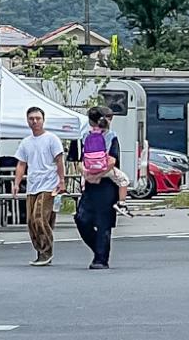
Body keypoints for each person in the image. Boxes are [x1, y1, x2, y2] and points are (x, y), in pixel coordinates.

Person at [74, 106, 126, 269]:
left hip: (107, 185)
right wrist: (90, 175)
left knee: (103, 222)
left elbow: (111, 161)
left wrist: (93, 175)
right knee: (81, 219)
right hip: (92, 183)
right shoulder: (84, 136)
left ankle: (101, 259)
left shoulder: (111, 137)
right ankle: (99, 250)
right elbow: (79, 161)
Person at [14, 107, 65, 268]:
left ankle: (46, 251)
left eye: (37, 118)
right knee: (30, 221)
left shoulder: (52, 139)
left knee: (40, 217)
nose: (35, 121)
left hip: (49, 184)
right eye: (31, 118)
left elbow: (59, 160)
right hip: (32, 185)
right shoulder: (26, 142)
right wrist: (16, 183)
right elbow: (21, 164)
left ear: (43, 119)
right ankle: (39, 250)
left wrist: (62, 180)